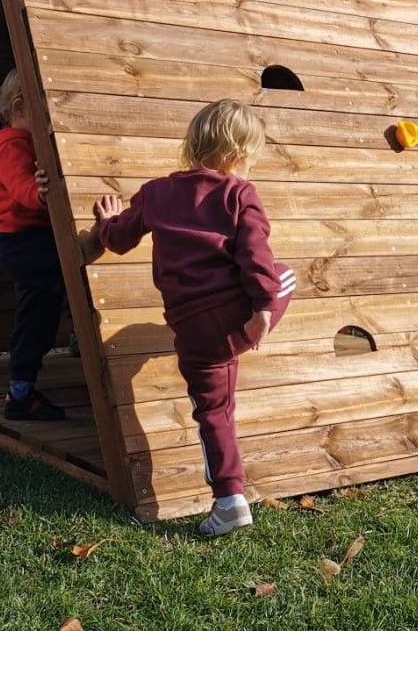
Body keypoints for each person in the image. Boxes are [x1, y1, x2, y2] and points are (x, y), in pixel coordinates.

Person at [95, 99, 295, 536]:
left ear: (194, 143)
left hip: (191, 326)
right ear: (239, 154)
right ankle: (255, 324)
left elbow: (120, 239)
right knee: (283, 275)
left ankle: (229, 499)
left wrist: (106, 223)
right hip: (239, 318)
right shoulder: (240, 193)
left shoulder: (157, 193)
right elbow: (256, 254)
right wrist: (264, 307)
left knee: (214, 411)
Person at [0, 68, 102, 421]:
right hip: (23, 242)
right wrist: (38, 192)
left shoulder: (12, 142)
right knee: (64, 281)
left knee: (39, 313)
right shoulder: (11, 145)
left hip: (22, 241)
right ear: (20, 108)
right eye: (46, 111)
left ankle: (22, 391)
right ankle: (21, 393)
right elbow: (19, 186)